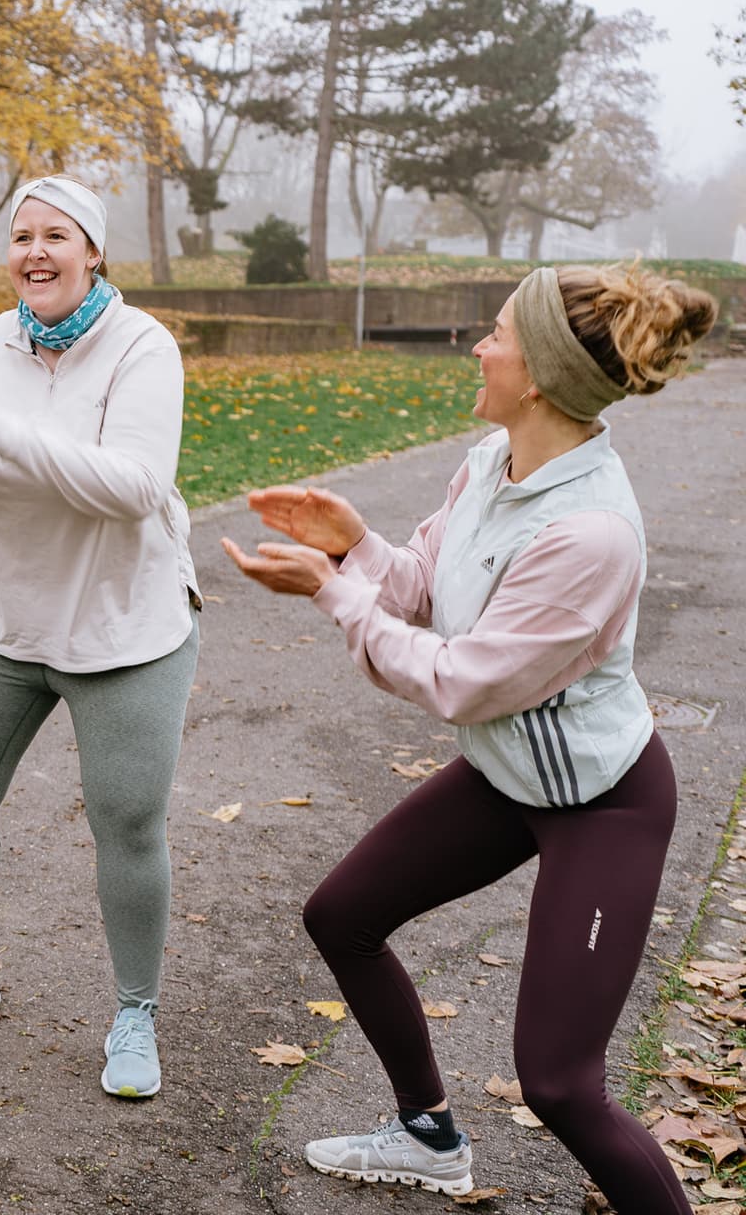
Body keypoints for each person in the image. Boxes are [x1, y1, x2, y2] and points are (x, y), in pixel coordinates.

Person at [223, 263, 716, 1206]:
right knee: (343, 916)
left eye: (494, 333)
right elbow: (421, 582)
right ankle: (427, 1135)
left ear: (535, 379)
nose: (477, 347)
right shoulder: (495, 460)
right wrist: (355, 547)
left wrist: (330, 594)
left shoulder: (592, 534)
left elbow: (461, 680)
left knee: (563, 1086)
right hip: (508, 773)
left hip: (600, 804)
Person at [0, 176, 201, 1099]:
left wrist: (3, 434)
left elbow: (135, 485)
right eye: (21, 236)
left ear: (93, 251)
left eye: (55, 235)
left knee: (126, 821)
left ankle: (135, 1014)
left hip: (124, 629)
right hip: (8, 620)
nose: (34, 253)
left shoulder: (142, 346)